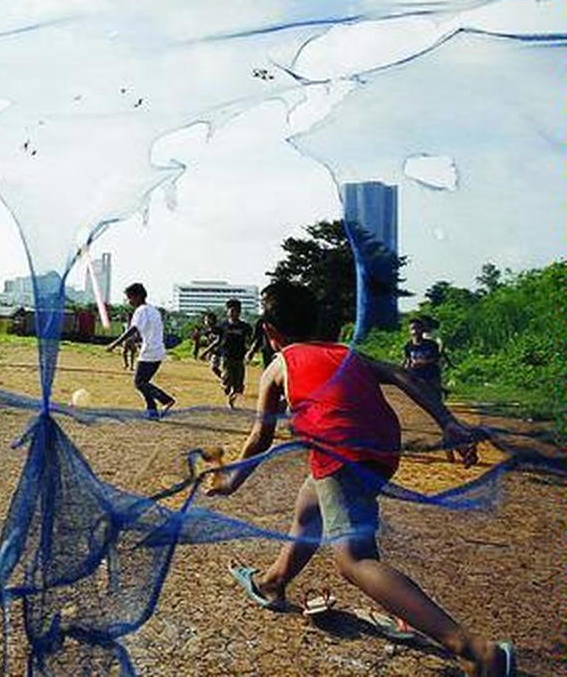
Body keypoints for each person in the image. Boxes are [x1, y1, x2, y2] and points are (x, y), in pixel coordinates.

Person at [206, 281, 513, 677]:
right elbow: (408, 378)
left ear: (270, 332)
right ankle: (272, 583)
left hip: (343, 455)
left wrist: (231, 482)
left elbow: (259, 437)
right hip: (381, 449)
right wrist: (448, 423)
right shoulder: (346, 353)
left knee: (354, 559)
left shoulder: (279, 365)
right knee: (309, 510)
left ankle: (476, 652)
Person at [106, 283, 175, 419]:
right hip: (158, 350)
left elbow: (133, 329)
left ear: (137, 297)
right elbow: (145, 330)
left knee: (139, 383)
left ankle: (166, 400)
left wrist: (114, 343)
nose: (129, 301)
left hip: (150, 351)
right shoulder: (153, 310)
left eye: (129, 298)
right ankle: (152, 412)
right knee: (144, 383)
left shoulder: (141, 310)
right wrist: (136, 340)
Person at [200, 299, 253, 408]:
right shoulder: (222, 326)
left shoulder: (245, 327)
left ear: (240, 312)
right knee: (227, 383)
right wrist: (206, 351)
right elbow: (217, 341)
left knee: (239, 386)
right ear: (227, 311)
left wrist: (250, 351)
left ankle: (232, 397)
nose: (234, 313)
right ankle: (226, 386)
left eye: (237, 311)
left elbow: (249, 341)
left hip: (239, 358)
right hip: (226, 357)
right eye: (232, 310)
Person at [403, 316, 444, 396]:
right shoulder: (408, 346)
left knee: (434, 398)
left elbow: (436, 359)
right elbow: (407, 361)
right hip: (416, 376)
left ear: (422, 330)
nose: (415, 331)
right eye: (412, 329)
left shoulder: (431, 344)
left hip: (431, 375)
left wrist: (423, 363)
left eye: (417, 328)